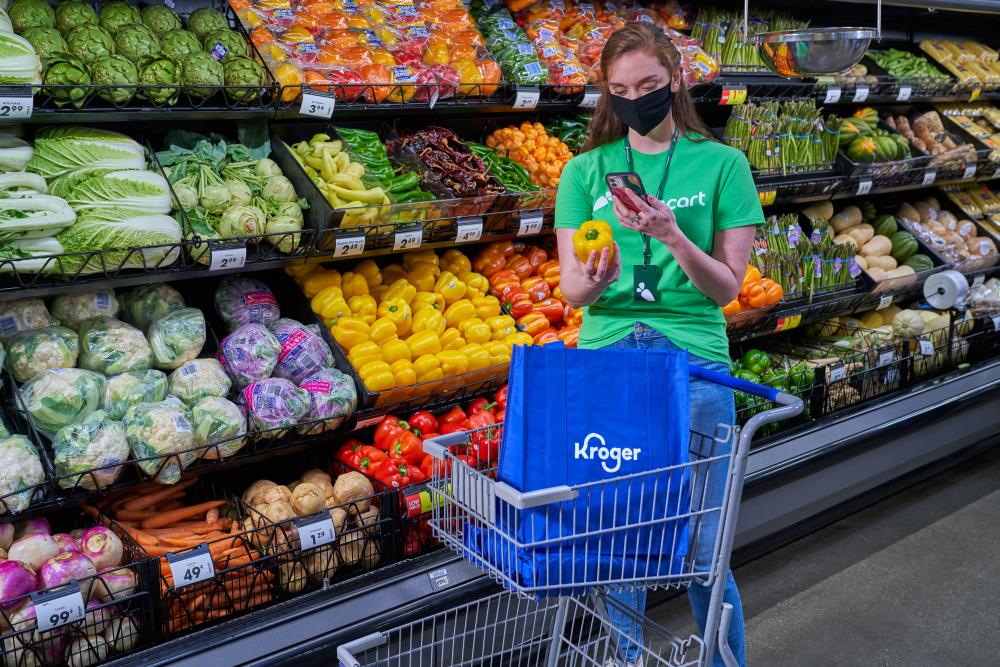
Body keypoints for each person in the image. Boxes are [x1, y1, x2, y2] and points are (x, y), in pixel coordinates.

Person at [553, 22, 764, 667]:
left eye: (647, 84)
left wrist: (673, 236)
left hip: (695, 366)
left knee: (704, 548)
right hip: (609, 360)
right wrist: (596, 280)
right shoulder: (584, 171)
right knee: (618, 542)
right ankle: (623, 659)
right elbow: (571, 291)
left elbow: (726, 288)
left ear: (675, 81)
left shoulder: (723, 164)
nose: (634, 97)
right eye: (619, 89)